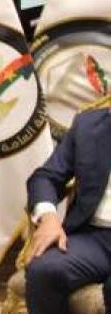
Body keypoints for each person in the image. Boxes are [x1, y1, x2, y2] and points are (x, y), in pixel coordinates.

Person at [25, 105, 111, 313]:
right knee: (44, 271)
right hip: (93, 237)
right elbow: (46, 177)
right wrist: (48, 218)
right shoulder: (87, 125)